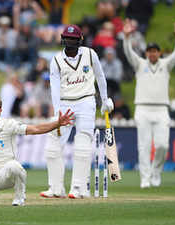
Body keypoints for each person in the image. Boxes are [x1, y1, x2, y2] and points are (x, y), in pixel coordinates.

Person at [40, 25, 114, 199]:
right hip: (65, 104)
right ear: (63, 39)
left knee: (82, 144)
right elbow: (55, 88)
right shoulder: (56, 60)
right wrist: (58, 111)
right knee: (53, 145)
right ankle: (56, 188)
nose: (71, 42)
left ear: (80, 39)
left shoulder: (90, 54)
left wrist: (105, 100)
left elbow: (100, 76)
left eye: (74, 39)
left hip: (87, 101)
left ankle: (78, 188)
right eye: (68, 38)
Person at [122, 19, 175, 188]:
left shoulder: (166, 65)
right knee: (143, 146)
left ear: (159, 53)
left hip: (161, 110)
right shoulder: (140, 64)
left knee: (163, 145)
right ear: (146, 53)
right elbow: (129, 53)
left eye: (155, 51)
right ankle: (145, 178)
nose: (152, 54)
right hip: (142, 109)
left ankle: (156, 172)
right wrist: (126, 37)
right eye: (149, 51)